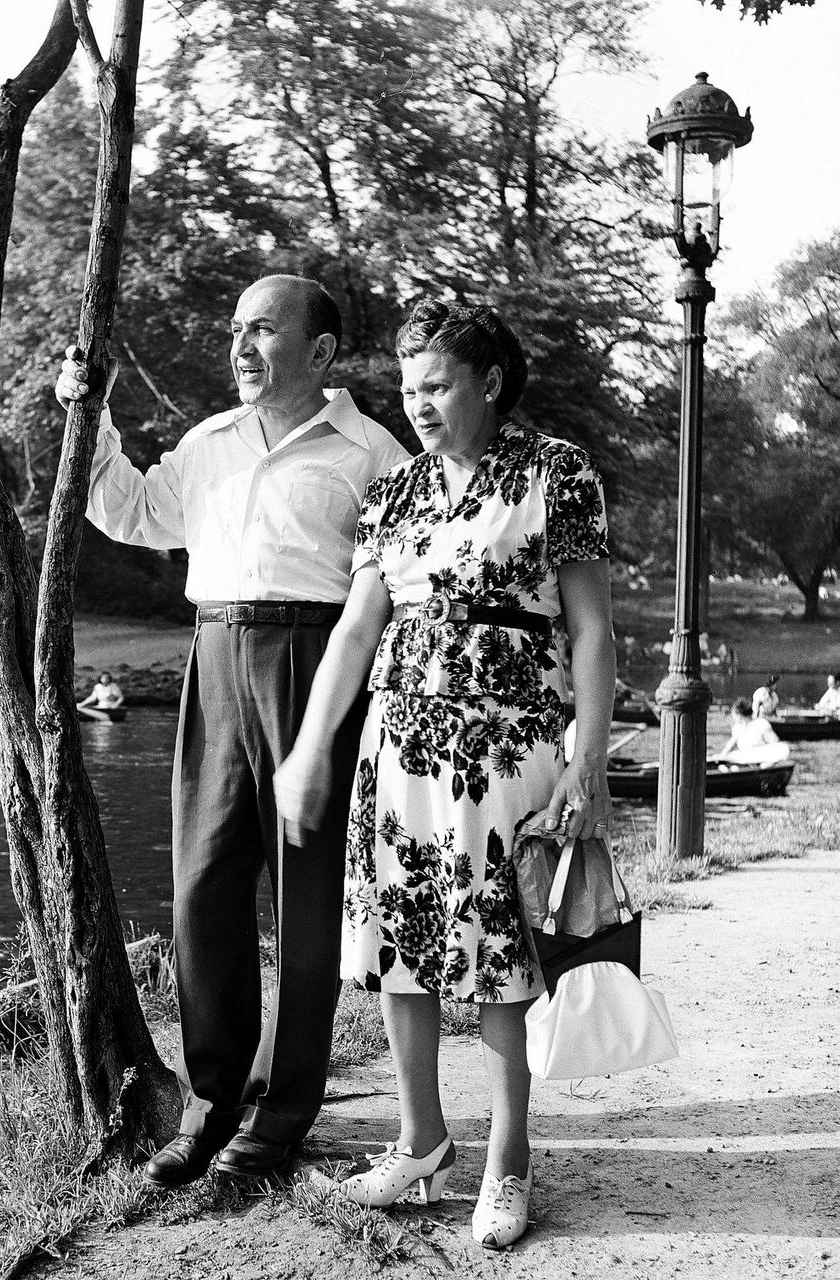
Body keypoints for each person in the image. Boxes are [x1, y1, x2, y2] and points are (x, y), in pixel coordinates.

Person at [273, 301, 615, 1250]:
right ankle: (420, 1144)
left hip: (506, 749)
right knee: (399, 941)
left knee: (500, 952)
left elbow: (591, 630)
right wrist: (309, 751)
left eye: (438, 385)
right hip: (398, 748)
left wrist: (586, 760)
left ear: (490, 382)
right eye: (410, 387)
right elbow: (353, 633)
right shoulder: (396, 493)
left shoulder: (557, 473)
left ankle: (508, 1162)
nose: (419, 403)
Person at [55, 274, 407, 1187]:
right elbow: (129, 511)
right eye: (236, 330)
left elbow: (404, 587)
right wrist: (87, 419)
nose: (241, 348)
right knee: (201, 885)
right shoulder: (208, 445)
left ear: (320, 351)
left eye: (263, 331)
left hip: (317, 664)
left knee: (305, 899)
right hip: (213, 658)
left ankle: (284, 1113)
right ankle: (211, 1105)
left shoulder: (373, 453)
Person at [714, 698, 788, 764]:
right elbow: (730, 745)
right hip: (748, 759)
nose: (732, 717)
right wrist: (720, 757)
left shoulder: (761, 724)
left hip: (764, 758)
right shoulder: (738, 728)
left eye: (733, 714)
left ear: (739, 714)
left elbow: (775, 744)